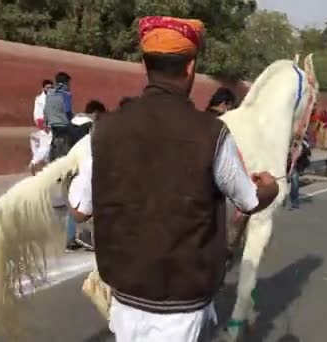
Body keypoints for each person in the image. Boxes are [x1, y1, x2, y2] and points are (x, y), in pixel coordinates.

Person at [70, 16, 280, 341]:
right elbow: (249, 200)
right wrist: (271, 185)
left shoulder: (105, 129)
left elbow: (79, 210)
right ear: (191, 66)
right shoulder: (212, 132)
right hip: (183, 306)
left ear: (144, 64)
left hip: (124, 298)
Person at [44, 71, 74, 161]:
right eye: (69, 83)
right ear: (66, 83)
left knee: (55, 144)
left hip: (52, 124)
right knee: (65, 148)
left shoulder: (49, 94)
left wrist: (46, 123)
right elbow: (68, 111)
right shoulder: (65, 94)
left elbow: (45, 110)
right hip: (63, 125)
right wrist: (72, 120)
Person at [286, 138, 311, 210]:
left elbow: (308, 152)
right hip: (286, 163)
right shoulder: (286, 139)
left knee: (294, 181)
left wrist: (300, 153)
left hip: (295, 165)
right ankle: (284, 199)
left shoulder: (302, 141)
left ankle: (294, 202)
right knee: (285, 182)